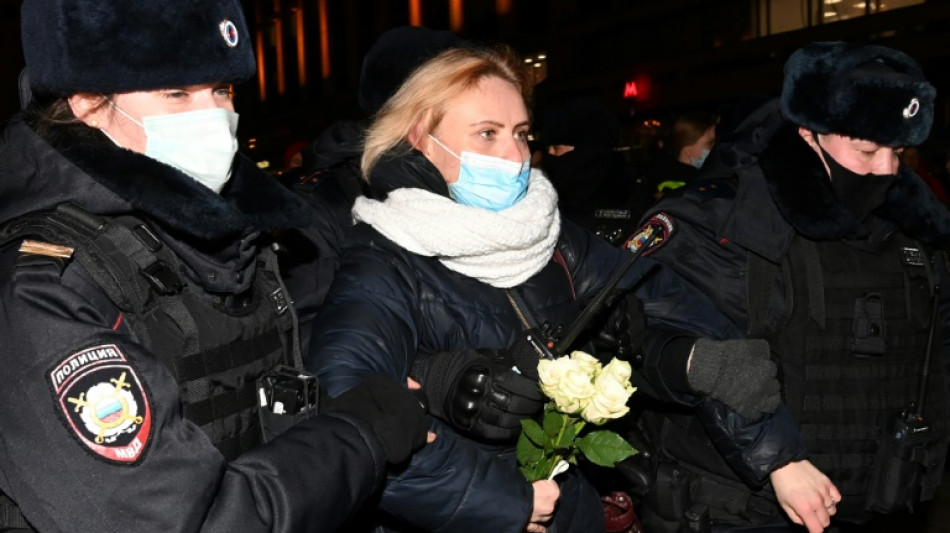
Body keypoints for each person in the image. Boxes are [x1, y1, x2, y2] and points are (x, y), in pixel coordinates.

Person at [303, 43, 778, 533]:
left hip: (572, 510)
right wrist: (505, 501)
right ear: (421, 137)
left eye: (521, 133)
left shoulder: (552, 232)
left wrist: (778, 457)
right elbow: (348, 420)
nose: (515, 156)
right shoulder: (383, 256)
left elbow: (684, 316)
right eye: (487, 133)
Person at [0, 1, 431, 531]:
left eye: (222, 91)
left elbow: (262, 407)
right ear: (88, 102)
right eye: (177, 92)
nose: (213, 116)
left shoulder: (232, 238)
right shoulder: (44, 288)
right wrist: (360, 436)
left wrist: (411, 386)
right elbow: (187, 519)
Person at [633, 41, 950, 533]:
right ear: (808, 133)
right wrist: (778, 459)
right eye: (867, 150)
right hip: (739, 509)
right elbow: (657, 348)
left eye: (899, 151)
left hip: (881, 500)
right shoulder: (722, 221)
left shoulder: (916, 230)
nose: (887, 169)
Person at [537, 96, 639, 245]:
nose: (550, 156)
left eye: (557, 149)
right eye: (548, 149)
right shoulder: (543, 198)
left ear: (586, 150)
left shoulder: (630, 198)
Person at [641, 111, 717, 199]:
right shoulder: (675, 189)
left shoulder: (703, 177)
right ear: (687, 149)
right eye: (709, 143)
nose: (714, 147)